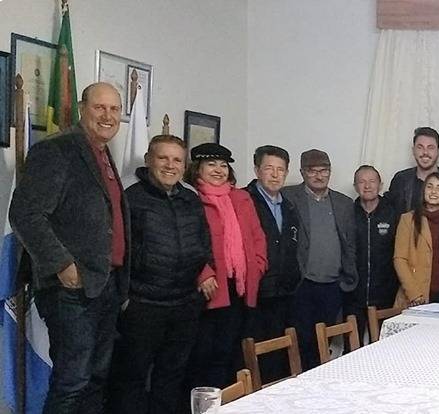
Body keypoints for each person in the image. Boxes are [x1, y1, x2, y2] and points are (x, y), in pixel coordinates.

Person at [9, 82, 129, 413]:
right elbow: (25, 213)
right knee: (73, 380)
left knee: (95, 379)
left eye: (114, 109)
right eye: (99, 107)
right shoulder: (58, 150)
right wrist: (63, 265)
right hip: (71, 289)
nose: (107, 116)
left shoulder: (102, 154)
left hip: (105, 284)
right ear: (81, 108)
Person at [108, 134, 212, 413]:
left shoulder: (191, 198)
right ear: (148, 160)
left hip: (184, 304)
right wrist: (125, 298)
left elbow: (204, 242)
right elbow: (117, 250)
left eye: (177, 160)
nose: (170, 165)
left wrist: (203, 271)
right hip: (143, 305)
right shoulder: (129, 197)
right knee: (131, 379)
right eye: (163, 158)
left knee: (171, 377)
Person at [184, 143, 267, 389]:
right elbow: (189, 240)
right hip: (208, 288)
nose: (219, 170)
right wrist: (203, 273)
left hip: (238, 288)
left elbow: (257, 236)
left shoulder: (241, 198)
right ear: (197, 168)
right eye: (211, 164)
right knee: (202, 354)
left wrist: (257, 267)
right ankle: (201, 402)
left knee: (229, 352)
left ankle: (224, 401)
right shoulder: (191, 198)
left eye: (223, 165)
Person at [282, 149, 357, 369]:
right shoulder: (289, 197)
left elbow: (350, 244)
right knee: (300, 341)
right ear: (302, 172)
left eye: (323, 170)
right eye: (312, 171)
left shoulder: (344, 203)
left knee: (323, 343)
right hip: (302, 284)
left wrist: (346, 278)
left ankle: (319, 379)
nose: (318, 176)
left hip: (333, 285)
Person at [243, 145, 302, 383]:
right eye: (269, 168)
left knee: (279, 356)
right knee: (252, 356)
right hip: (255, 293)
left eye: (281, 170)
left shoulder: (289, 206)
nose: (275, 175)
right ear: (257, 170)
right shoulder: (244, 200)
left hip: (284, 292)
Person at [350, 165, 400, 342]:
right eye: (362, 182)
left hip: (385, 293)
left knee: (382, 345)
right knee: (352, 346)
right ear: (355, 186)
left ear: (380, 185)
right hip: (353, 293)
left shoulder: (393, 212)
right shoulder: (348, 212)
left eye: (372, 181)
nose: (367, 186)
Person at [394, 172, 439, 306]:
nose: (433, 191)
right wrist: (414, 294)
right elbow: (399, 259)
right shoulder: (408, 219)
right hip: (416, 294)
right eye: (429, 186)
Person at [388, 126, 439, 212]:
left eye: (430, 148)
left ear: (438, 151)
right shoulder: (400, 180)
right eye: (420, 147)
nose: (425, 152)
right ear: (413, 150)